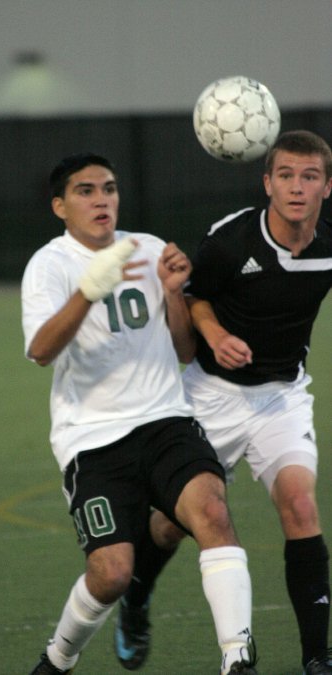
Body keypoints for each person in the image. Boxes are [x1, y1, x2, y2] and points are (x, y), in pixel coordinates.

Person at [21, 153, 258, 674]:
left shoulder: (147, 248)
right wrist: (88, 291)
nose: (101, 199)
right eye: (85, 191)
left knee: (214, 515)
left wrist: (174, 294)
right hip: (92, 439)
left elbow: (184, 350)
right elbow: (41, 350)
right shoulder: (50, 265)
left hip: (166, 421)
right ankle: (58, 659)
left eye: (108, 188)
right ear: (60, 206)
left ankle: (237, 659)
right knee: (110, 574)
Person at [117, 130, 332, 675]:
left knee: (301, 506)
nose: (297, 188)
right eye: (285, 175)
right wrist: (213, 335)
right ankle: (135, 598)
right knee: (171, 524)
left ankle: (317, 657)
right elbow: (196, 299)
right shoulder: (232, 239)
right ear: (267, 183)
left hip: (281, 396)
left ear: (327, 187)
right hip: (210, 396)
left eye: (309, 177)